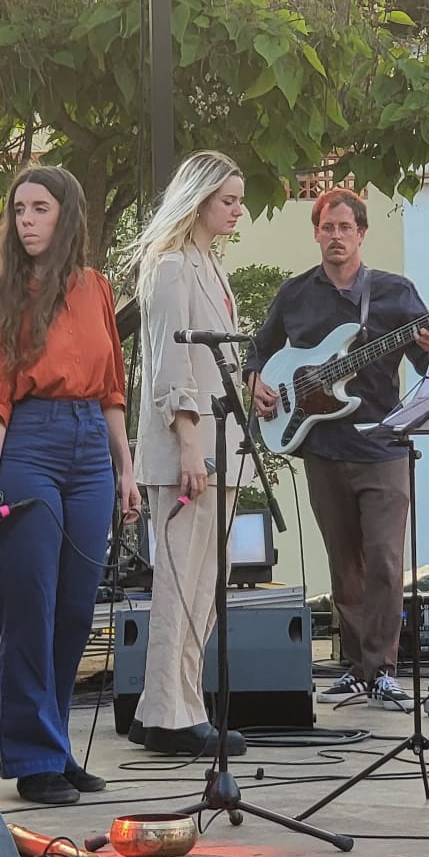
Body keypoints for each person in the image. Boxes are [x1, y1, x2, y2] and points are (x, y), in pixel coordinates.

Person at [0, 165, 142, 805]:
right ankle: (33, 756)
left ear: (68, 215)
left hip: (92, 442)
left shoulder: (95, 287)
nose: (28, 220)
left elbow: (113, 388)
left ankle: (58, 745)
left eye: (40, 208)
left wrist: (126, 468)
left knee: (74, 607)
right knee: (30, 604)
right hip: (28, 442)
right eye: (19, 210)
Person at [244, 187, 429, 714]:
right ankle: (357, 668)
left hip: (383, 442)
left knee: (383, 559)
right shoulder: (295, 295)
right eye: (327, 228)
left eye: (345, 228)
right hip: (322, 445)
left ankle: (382, 670)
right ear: (316, 233)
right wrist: (255, 384)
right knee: (344, 565)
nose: (336, 237)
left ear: (361, 233)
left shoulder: (396, 294)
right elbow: (259, 351)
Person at [129, 151, 255, 758]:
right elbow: (171, 364)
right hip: (190, 448)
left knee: (207, 586)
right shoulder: (171, 266)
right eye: (228, 199)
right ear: (199, 199)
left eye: (238, 199)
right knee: (182, 584)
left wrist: (255, 387)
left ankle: (175, 705)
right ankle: (168, 715)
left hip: (221, 444)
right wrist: (189, 446)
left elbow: (211, 359)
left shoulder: (209, 264)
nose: (238, 210)